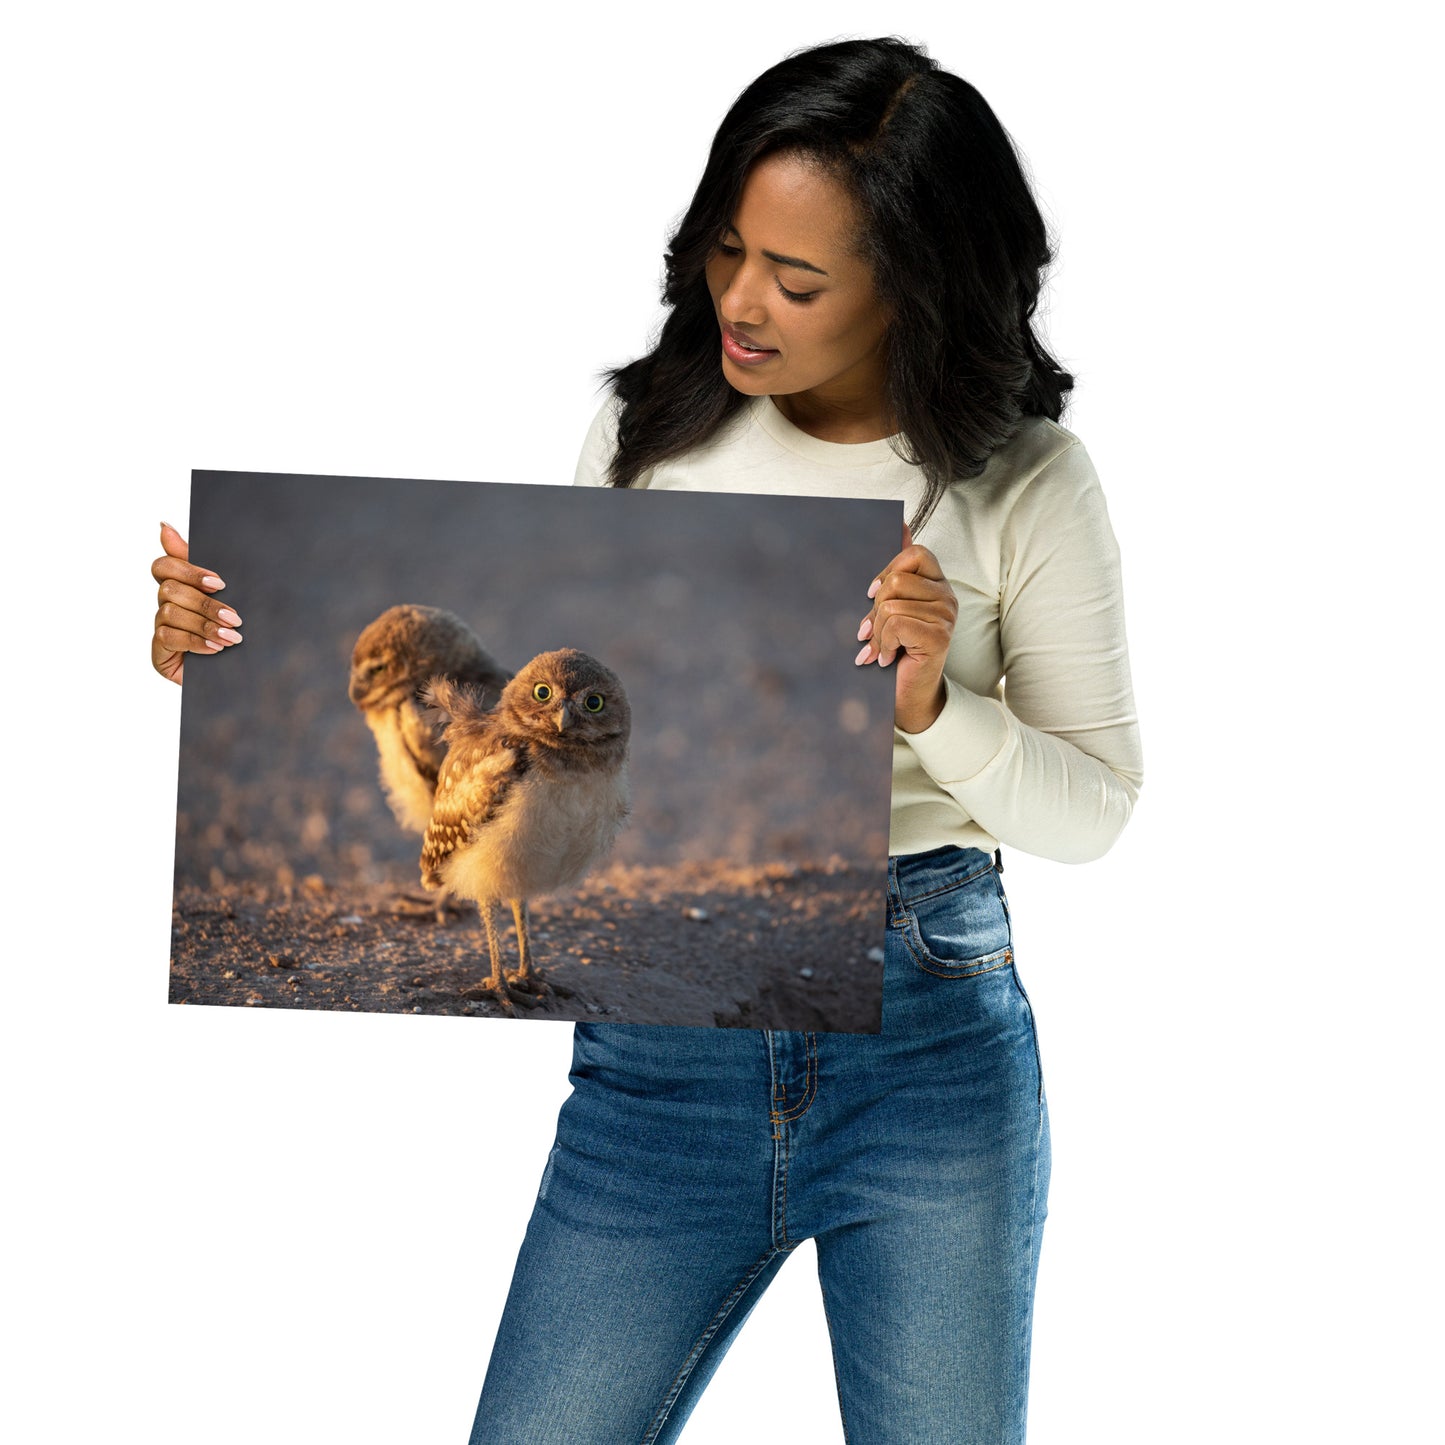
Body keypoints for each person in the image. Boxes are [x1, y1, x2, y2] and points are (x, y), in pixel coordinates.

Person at [152, 36, 1141, 1444]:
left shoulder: (1028, 478)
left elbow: (1094, 810)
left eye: (796, 280)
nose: (740, 300)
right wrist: (223, 639)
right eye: (726, 250)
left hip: (928, 1050)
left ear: (915, 287)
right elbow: (494, 708)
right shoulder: (643, 427)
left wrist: (933, 707)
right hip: (655, 1084)